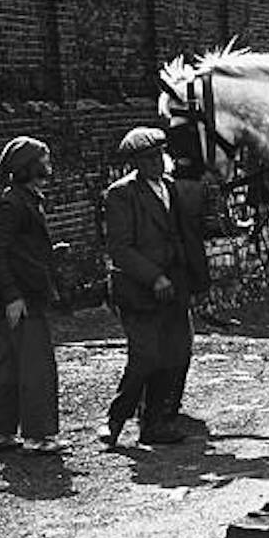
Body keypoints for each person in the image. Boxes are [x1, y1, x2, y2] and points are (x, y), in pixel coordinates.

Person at [100, 127, 210, 446]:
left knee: (176, 355)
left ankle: (155, 424)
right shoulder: (121, 194)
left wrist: (191, 277)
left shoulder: (171, 188)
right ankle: (115, 420)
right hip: (138, 290)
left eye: (159, 156)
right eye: (148, 159)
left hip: (173, 287)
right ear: (136, 163)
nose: (157, 163)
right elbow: (120, 248)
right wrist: (154, 276)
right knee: (145, 357)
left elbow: (185, 234)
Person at [0, 136, 63, 454]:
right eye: (44, 158)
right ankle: (39, 436)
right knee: (37, 367)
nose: (49, 163)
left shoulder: (24, 198)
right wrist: (14, 296)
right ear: (30, 167)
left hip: (18, 297)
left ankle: (1, 433)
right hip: (19, 301)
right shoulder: (14, 203)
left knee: (12, 366)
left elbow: (17, 250)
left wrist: (50, 253)